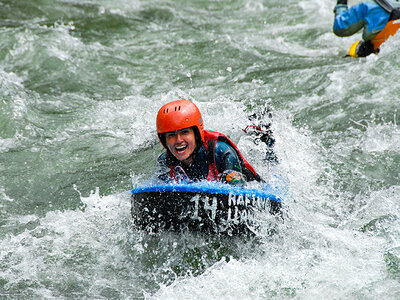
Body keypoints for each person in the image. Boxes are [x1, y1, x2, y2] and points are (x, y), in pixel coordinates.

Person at [155, 99, 274, 186]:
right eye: (171, 135)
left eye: (185, 132)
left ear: (196, 134)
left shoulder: (222, 153)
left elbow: (237, 195)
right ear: (163, 139)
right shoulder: (164, 162)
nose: (178, 140)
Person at [333, 0, 400, 58]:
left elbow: (339, 28)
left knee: (356, 51)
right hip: (392, 51)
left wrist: (341, 3)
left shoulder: (367, 6)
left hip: (378, 55)